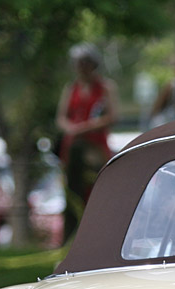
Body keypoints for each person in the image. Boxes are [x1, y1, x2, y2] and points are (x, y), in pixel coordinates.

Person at [55, 42, 119, 244]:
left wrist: (85, 127)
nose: (80, 68)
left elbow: (111, 116)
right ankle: (70, 237)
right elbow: (62, 118)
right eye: (78, 63)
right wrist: (72, 129)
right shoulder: (71, 88)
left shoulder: (105, 88)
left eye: (84, 63)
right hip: (73, 147)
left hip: (95, 146)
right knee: (73, 193)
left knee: (95, 191)